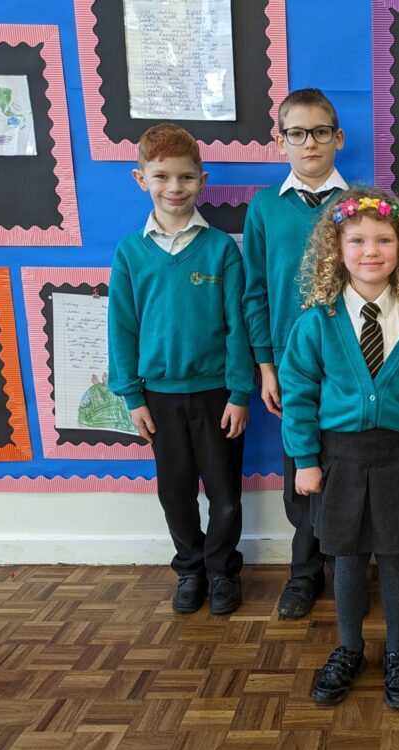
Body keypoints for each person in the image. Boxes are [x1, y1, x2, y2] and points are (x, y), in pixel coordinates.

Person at [280, 187, 399, 708]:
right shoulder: (318, 320)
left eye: (383, 239)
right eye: (356, 240)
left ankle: (398, 652)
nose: (371, 251)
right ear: (336, 250)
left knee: (396, 557)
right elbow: (299, 393)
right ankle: (350, 648)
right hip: (339, 459)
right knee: (347, 559)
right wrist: (306, 461)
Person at [108, 123, 253, 615]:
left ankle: (222, 570)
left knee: (224, 493)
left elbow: (238, 327)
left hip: (216, 394)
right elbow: (121, 328)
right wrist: (131, 397)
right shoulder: (131, 253)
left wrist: (239, 393)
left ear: (202, 179)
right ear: (140, 178)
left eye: (186, 177)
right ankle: (190, 568)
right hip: (160, 398)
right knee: (175, 493)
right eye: (162, 177)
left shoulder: (220, 250)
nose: (174, 188)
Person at [243, 88, 348, 619]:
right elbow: (255, 290)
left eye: (321, 132)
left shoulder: (359, 205)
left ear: (338, 138)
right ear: (280, 140)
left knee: (350, 466)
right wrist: (265, 365)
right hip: (290, 364)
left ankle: (348, 568)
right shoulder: (265, 207)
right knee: (301, 472)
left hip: (353, 361)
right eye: (298, 133)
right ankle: (304, 572)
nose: (310, 143)